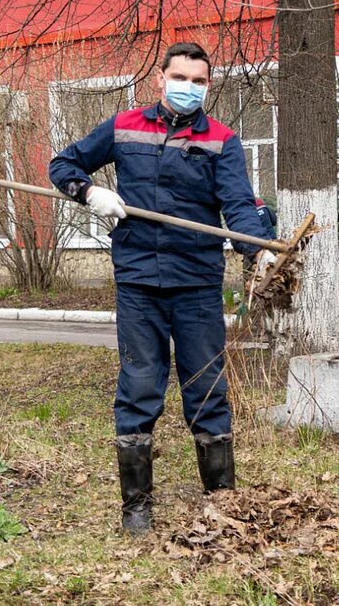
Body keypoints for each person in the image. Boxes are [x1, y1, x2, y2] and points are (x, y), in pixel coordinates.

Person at [49, 42, 277, 535]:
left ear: (208, 86)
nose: (189, 88)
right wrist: (91, 192)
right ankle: (136, 510)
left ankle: (222, 503)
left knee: (206, 388)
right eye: (181, 78)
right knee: (139, 386)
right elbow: (62, 165)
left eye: (199, 81)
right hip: (138, 281)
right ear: (160, 79)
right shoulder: (124, 127)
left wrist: (258, 249)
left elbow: (237, 207)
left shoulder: (222, 141)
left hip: (196, 283)